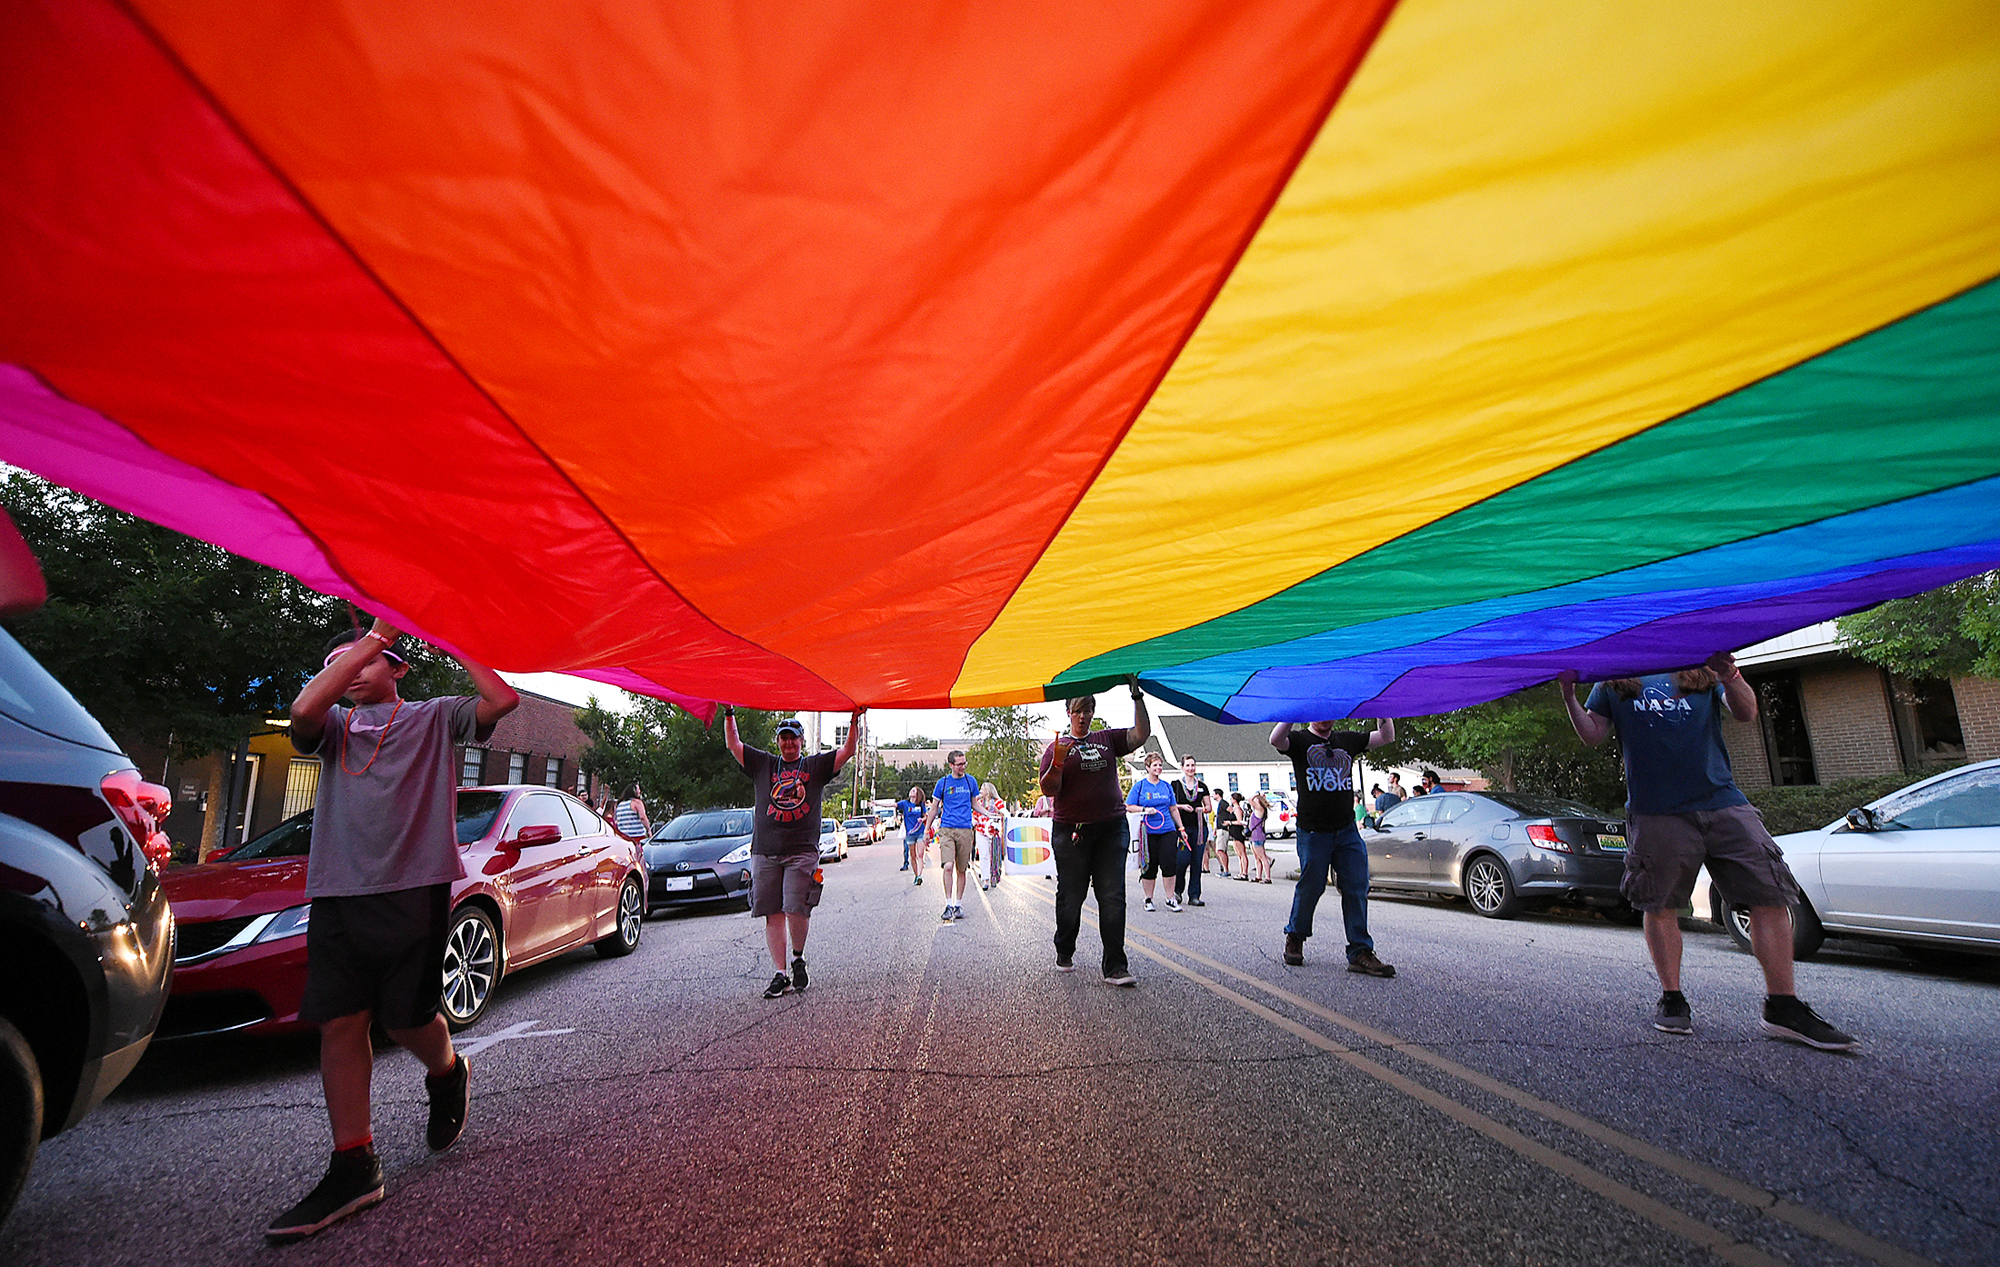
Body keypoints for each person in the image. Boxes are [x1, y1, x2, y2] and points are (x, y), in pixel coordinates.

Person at [266, 619, 519, 1243]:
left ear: (399, 668)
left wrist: (445, 630)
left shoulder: (433, 717)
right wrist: (370, 639)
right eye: (340, 662)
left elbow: (502, 701)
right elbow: (302, 706)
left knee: (407, 1019)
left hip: (414, 887)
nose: (351, 670)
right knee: (342, 1019)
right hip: (338, 890)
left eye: (367, 661)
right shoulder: (332, 730)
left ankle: (447, 1069)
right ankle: (355, 1162)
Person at [1558, 656, 1857, 1050]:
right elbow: (1594, 734)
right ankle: (1673, 998)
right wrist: (1568, 697)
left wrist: (1729, 673)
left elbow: (1747, 712)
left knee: (1770, 893)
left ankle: (1783, 1006)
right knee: (1660, 904)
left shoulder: (1700, 665)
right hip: (1657, 811)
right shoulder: (1616, 677)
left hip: (1724, 803)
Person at [726, 708, 864, 998]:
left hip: (802, 850)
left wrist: (854, 719)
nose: (789, 743)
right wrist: (728, 712)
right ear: (777, 741)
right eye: (784, 739)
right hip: (765, 850)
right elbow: (734, 745)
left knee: (796, 907)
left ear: (802, 741)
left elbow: (849, 749)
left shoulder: (815, 766)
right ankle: (780, 973)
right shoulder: (763, 764)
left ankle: (797, 957)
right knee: (771, 912)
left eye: (794, 739)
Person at [1040, 683, 1149, 984]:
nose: (1083, 717)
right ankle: (1064, 949)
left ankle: (1115, 966)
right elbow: (1049, 790)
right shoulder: (1055, 748)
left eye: (1088, 711)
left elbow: (1140, 735)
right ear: (1068, 713)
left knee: (1112, 896)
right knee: (1071, 897)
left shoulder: (1106, 739)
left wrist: (1137, 696)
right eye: (1078, 711)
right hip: (1071, 832)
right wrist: (1059, 763)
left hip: (1111, 827)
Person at [1272, 717, 1397, 977]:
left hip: (1346, 830)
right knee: (1311, 885)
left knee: (1356, 885)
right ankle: (1295, 935)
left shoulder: (1346, 740)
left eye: (1330, 714)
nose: (1325, 720)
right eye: (1319, 714)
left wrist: (1382, 710)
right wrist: (1294, 713)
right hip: (1314, 831)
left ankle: (1360, 951)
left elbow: (1385, 737)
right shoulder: (1299, 740)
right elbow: (1275, 740)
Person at [1127, 753, 1187, 912]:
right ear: (1147, 767)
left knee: (1169, 864)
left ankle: (1170, 898)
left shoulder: (1166, 786)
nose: (1158, 768)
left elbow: (1173, 809)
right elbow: (1129, 806)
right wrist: (1145, 809)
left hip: (1167, 830)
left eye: (1160, 765)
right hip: (1148, 831)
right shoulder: (1140, 786)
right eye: (1155, 765)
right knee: (1150, 865)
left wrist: (1181, 828)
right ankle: (1148, 898)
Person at [926, 750, 980, 920]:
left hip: (965, 829)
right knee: (948, 866)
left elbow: (975, 804)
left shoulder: (970, 781)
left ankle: (958, 904)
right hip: (947, 829)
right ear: (951, 765)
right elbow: (934, 808)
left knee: (961, 869)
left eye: (964, 763)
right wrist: (927, 829)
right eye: (959, 764)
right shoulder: (942, 783)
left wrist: (990, 814)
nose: (962, 766)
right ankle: (948, 904)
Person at [1173, 755, 1211, 906]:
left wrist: (1203, 809)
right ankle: (1177, 891)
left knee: (1197, 862)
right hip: (1183, 829)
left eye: (1193, 765)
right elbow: (1171, 805)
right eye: (1187, 765)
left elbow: (1209, 807)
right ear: (1182, 767)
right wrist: (1182, 806)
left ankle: (1194, 895)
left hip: (1199, 829)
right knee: (1182, 860)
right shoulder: (1175, 785)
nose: (1190, 768)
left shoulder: (1202, 786)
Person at [974, 781, 1006, 890]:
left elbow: (1003, 815)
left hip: (993, 833)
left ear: (988, 790)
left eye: (983, 789)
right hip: (981, 830)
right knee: (984, 855)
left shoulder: (997, 802)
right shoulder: (978, 803)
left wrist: (998, 812)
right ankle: (985, 879)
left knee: (994, 855)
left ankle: (994, 875)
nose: (981, 791)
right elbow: (975, 815)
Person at [895, 785, 926, 873]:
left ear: (917, 794)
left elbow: (925, 816)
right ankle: (916, 875)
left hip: (920, 832)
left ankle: (920, 875)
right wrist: (877, 804)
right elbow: (893, 805)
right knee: (913, 856)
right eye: (911, 790)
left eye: (913, 791)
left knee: (920, 854)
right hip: (910, 833)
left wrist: (922, 819)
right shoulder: (905, 803)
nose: (911, 792)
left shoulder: (920, 805)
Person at [1247, 791, 1273, 883]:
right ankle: (1258, 876)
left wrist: (1257, 795)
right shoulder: (1257, 810)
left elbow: (1250, 799)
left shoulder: (1259, 809)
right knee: (1257, 858)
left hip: (1258, 836)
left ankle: (1268, 877)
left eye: (1256, 800)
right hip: (1253, 835)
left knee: (1262, 857)